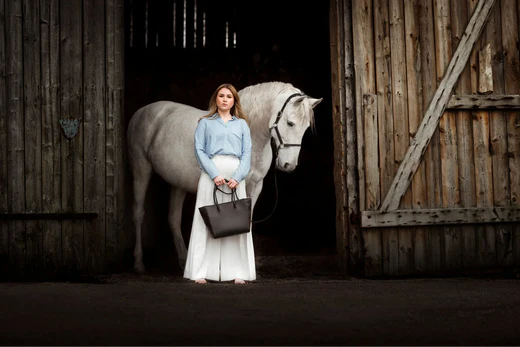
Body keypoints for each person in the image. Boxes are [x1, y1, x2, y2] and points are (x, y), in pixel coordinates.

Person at [183, 83, 255, 284]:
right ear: (216, 99)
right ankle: (200, 271)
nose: (225, 99)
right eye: (221, 96)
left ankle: (238, 272)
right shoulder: (205, 123)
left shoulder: (242, 125)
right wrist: (214, 174)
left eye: (229, 96)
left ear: (234, 101)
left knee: (236, 222)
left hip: (235, 175)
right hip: (210, 174)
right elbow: (200, 151)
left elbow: (246, 153)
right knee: (206, 221)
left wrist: (238, 177)